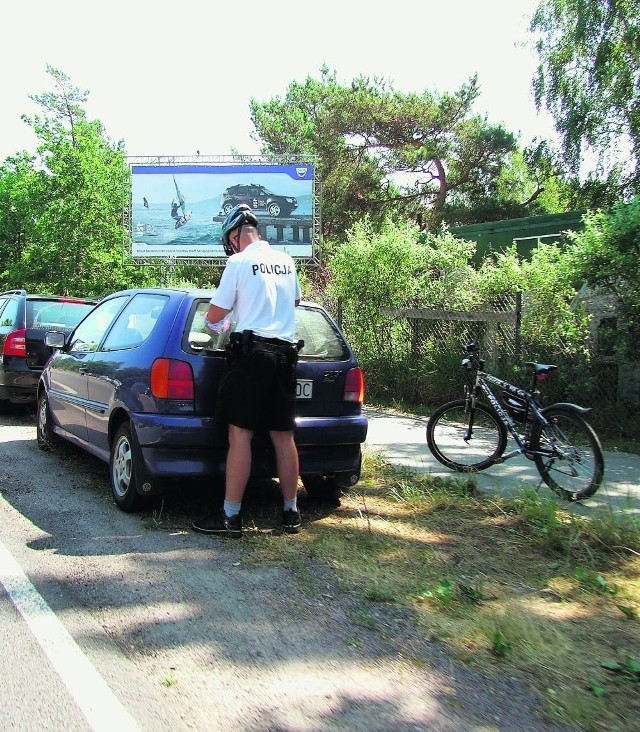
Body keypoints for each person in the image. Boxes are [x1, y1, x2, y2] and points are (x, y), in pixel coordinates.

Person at [192, 204, 303, 538]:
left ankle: (230, 517)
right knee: (284, 437)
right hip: (285, 355)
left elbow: (215, 313)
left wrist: (219, 322)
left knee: (239, 434)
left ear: (236, 234)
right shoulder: (287, 261)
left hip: (252, 355)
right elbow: (295, 301)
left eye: (230, 239)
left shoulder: (238, 262)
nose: (231, 245)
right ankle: (291, 513)